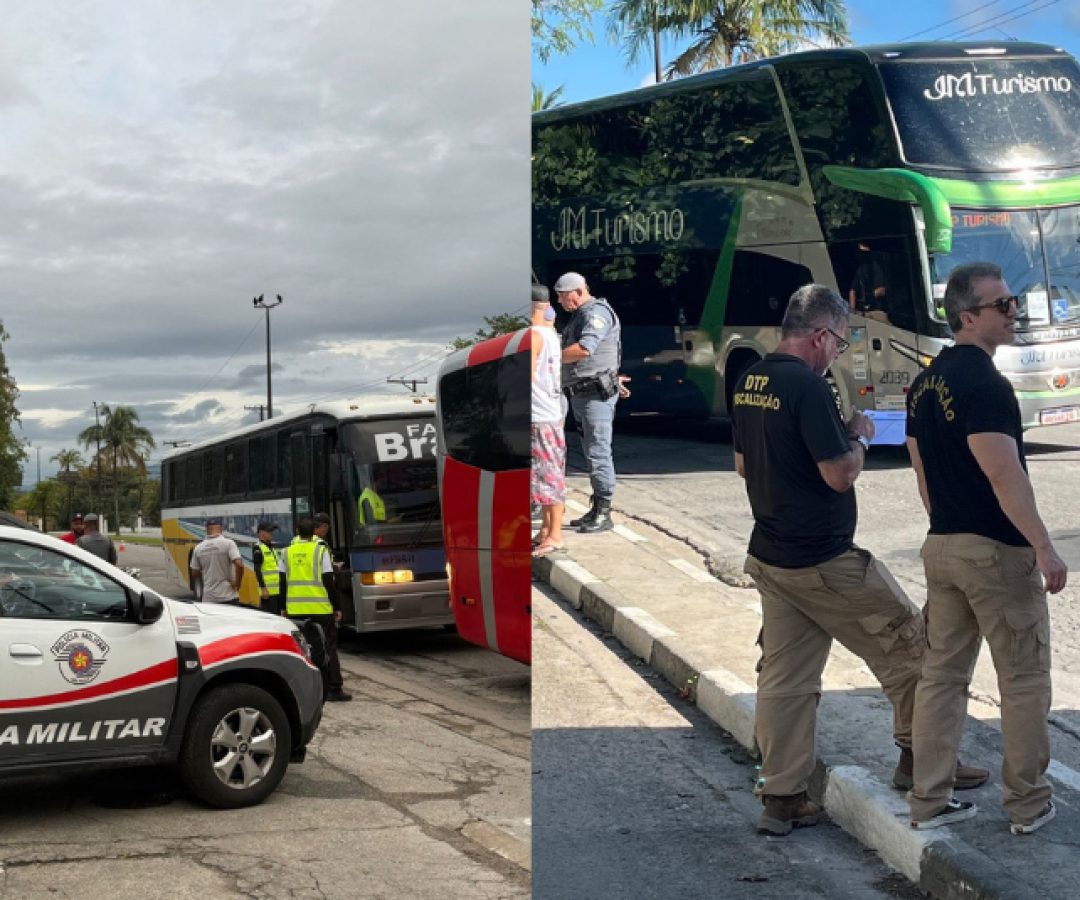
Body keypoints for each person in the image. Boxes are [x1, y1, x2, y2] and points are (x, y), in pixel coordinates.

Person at [731, 284, 987, 837]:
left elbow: (744, 465)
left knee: (786, 680)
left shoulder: (752, 379)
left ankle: (781, 797)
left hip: (772, 556)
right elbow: (840, 473)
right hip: (825, 560)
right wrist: (861, 437)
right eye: (841, 343)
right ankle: (924, 765)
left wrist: (829, 441)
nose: (838, 353)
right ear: (820, 335)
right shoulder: (808, 385)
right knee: (914, 647)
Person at [906, 262, 1066, 835]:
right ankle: (1027, 803)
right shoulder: (986, 385)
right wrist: (1043, 546)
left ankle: (928, 800)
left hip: (943, 544)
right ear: (967, 317)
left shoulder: (924, 384)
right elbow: (1004, 473)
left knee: (941, 677)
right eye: (1003, 306)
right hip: (995, 550)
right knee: (1023, 679)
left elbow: (922, 472)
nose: (1014, 312)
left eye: (1013, 302)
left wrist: (946, 528)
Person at [556, 271, 622, 534]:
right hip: (583, 393)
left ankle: (604, 511)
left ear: (578, 292)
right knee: (591, 451)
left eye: (563, 296)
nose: (560, 301)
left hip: (595, 394)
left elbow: (585, 348)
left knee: (598, 451)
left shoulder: (595, 313)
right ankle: (596, 508)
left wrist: (550, 355)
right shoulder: (581, 314)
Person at [284, 516, 352, 702]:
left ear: (298, 532)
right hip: (320, 608)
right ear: (314, 531)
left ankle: (304, 689)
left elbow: (283, 581)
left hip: (296, 609)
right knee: (328, 647)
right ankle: (333, 687)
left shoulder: (288, 551)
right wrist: (337, 607)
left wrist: (283, 607)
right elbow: (328, 581)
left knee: (302, 648)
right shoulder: (320, 550)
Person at [531, 284, 566, 557]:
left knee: (549, 477)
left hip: (539, 415)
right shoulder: (551, 334)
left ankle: (555, 534)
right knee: (547, 474)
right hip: (551, 412)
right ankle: (545, 529)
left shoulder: (533, 336)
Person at [189, 517, 244, 605]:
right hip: (228, 596)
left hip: (208, 598)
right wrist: (237, 583)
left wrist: (208, 573)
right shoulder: (228, 543)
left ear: (207, 530)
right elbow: (239, 565)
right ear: (221, 528)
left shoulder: (198, 548)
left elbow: (194, 573)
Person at [253, 520, 286, 615]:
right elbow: (257, 569)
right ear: (261, 533)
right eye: (269, 531)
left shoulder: (271, 548)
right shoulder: (258, 548)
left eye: (272, 531)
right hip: (268, 593)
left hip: (277, 591)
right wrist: (263, 588)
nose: (272, 534)